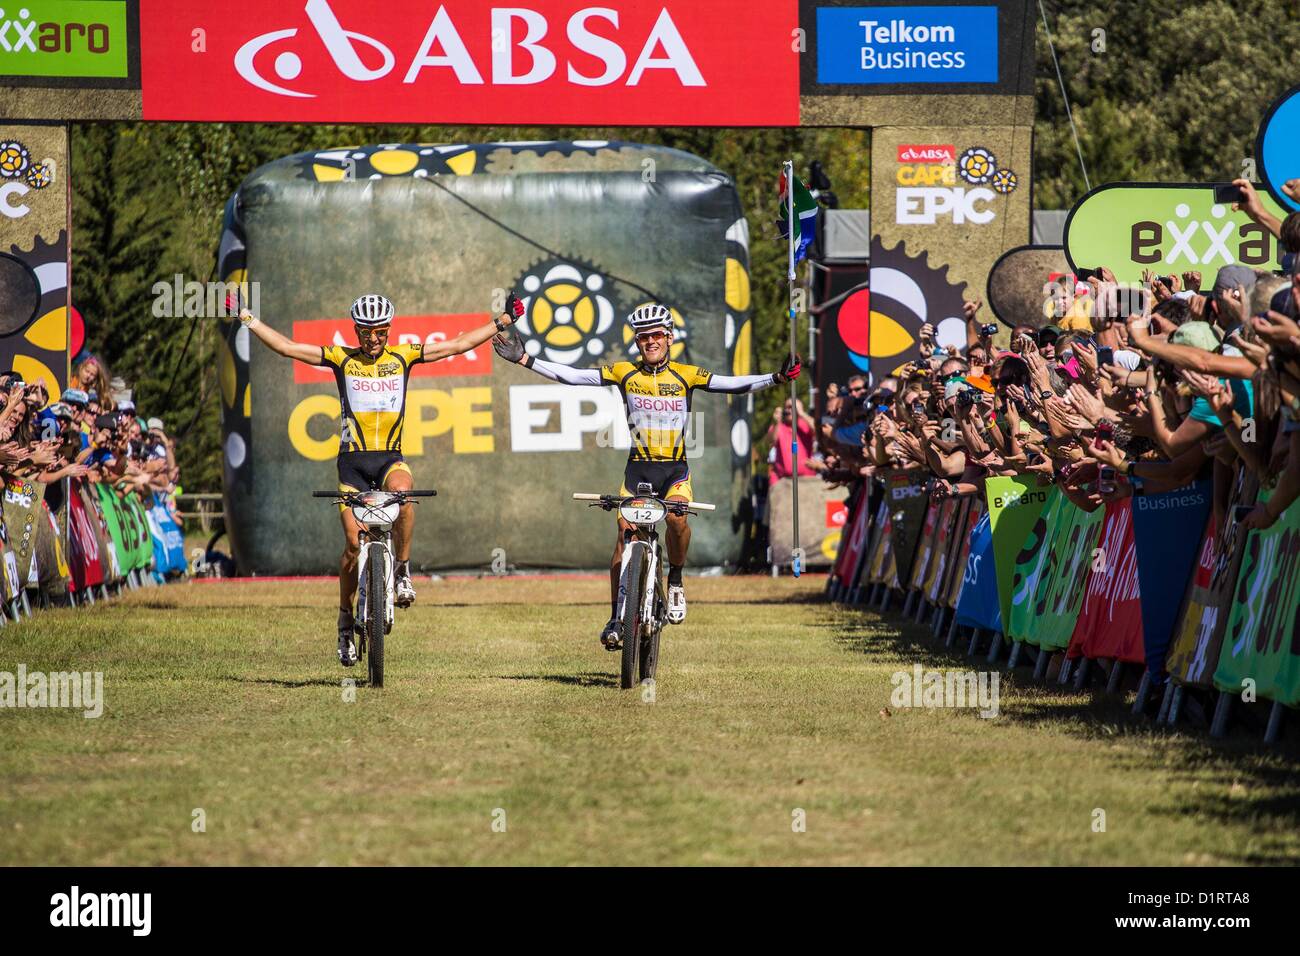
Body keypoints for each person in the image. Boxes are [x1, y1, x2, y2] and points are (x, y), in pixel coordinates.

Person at [240, 291, 524, 666]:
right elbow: (288, 348)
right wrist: (246, 317)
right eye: (365, 332)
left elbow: (457, 345)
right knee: (353, 547)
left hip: (390, 459)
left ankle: (403, 570)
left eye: (380, 332)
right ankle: (344, 620)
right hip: (352, 466)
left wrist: (501, 321)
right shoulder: (341, 358)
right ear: (356, 331)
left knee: (404, 495)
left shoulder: (403, 357)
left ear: (390, 330)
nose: (373, 339)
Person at [493, 302, 800, 647]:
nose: (650, 341)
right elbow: (575, 375)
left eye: (656, 335)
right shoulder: (625, 372)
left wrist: (775, 378)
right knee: (624, 536)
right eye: (643, 337)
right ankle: (615, 618)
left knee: (678, 521)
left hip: (674, 471)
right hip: (638, 469)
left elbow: (731, 385)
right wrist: (525, 360)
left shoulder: (687, 374)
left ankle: (678, 580)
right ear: (637, 342)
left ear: (669, 338)